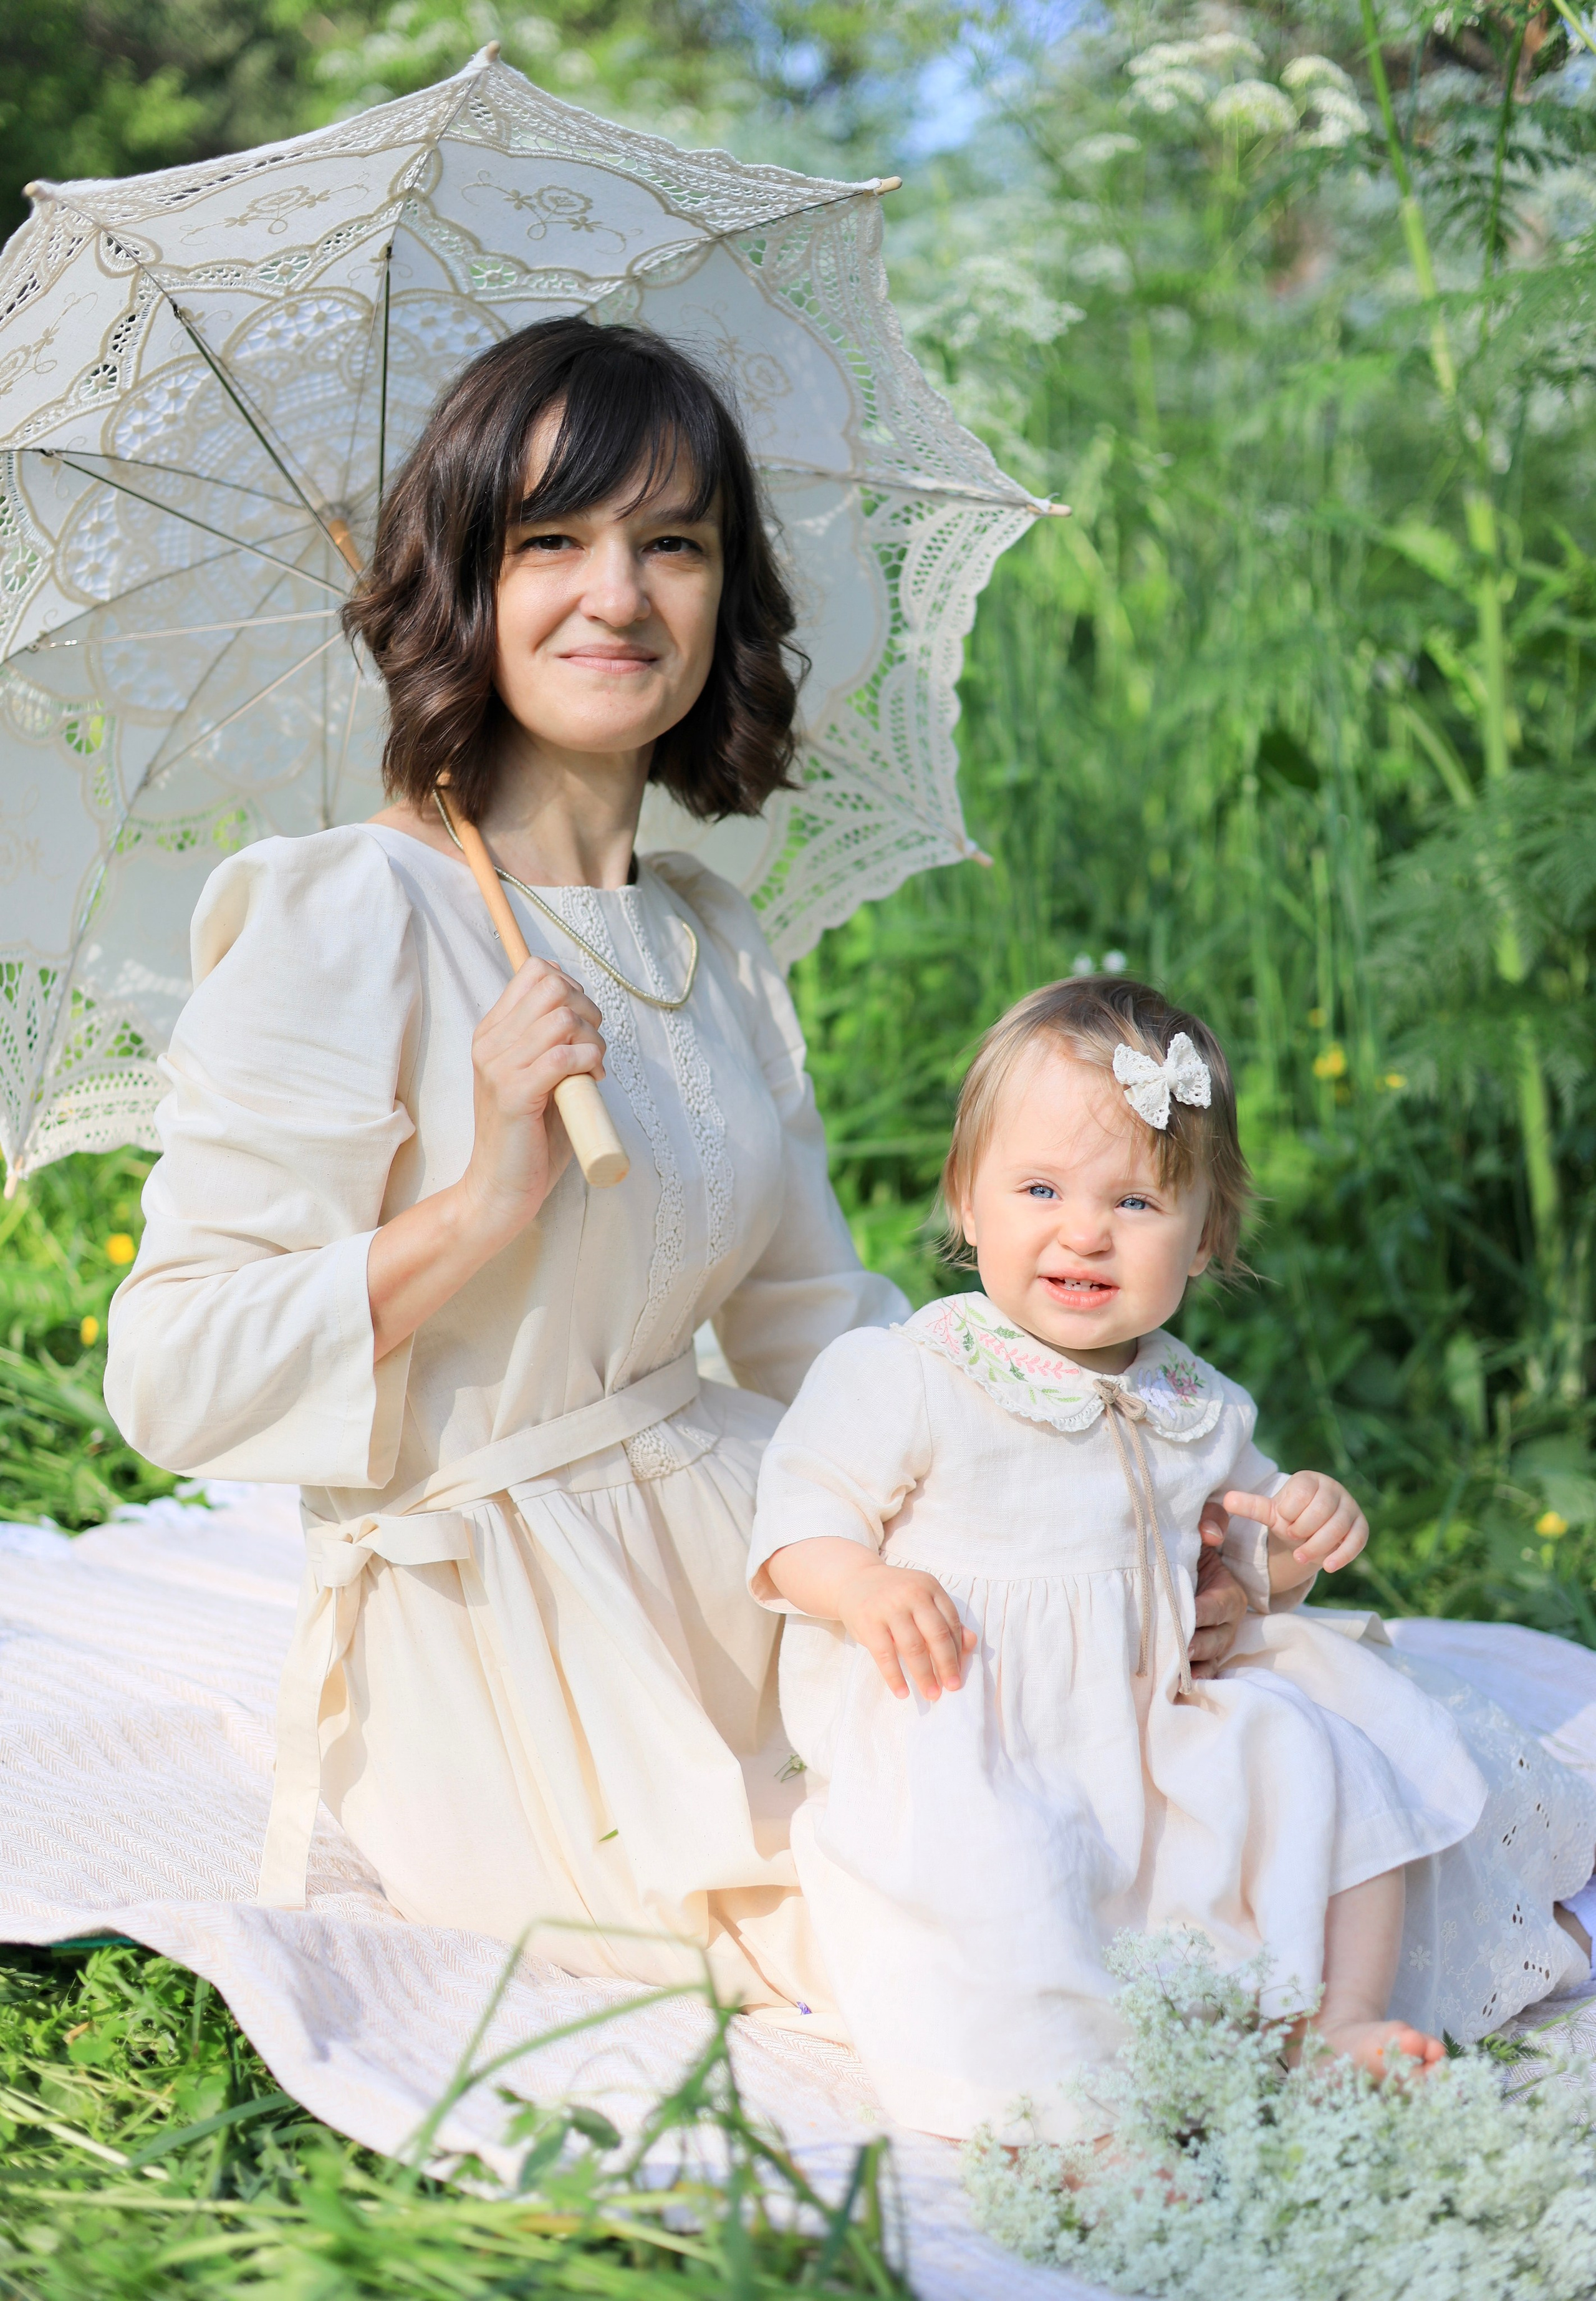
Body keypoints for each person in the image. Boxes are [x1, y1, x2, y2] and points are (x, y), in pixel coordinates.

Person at [102, 315, 1256, 2023]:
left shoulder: (706, 940)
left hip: (730, 1538)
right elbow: (172, 1374)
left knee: (1163, 1777)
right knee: (948, 1938)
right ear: (460, 588)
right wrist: (487, 1195)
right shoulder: (349, 911)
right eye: (549, 542)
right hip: (507, 1640)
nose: (618, 595)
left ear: (725, 597)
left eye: (673, 544)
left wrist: (1108, 1540)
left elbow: (821, 1330)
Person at [748, 976, 1596, 2132]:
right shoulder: (914, 1369)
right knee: (1010, 1878)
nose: (1084, 1230)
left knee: (1320, 1749)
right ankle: (1063, 2105)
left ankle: (1337, 2016)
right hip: (977, 1725)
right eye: (1039, 1188)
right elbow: (797, 1514)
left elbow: (1243, 1565)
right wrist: (861, 1581)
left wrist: (1292, 1542)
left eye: (1137, 1202)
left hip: (1156, 1724)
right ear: (967, 1199)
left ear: (1206, 1237)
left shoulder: (1198, 1400)